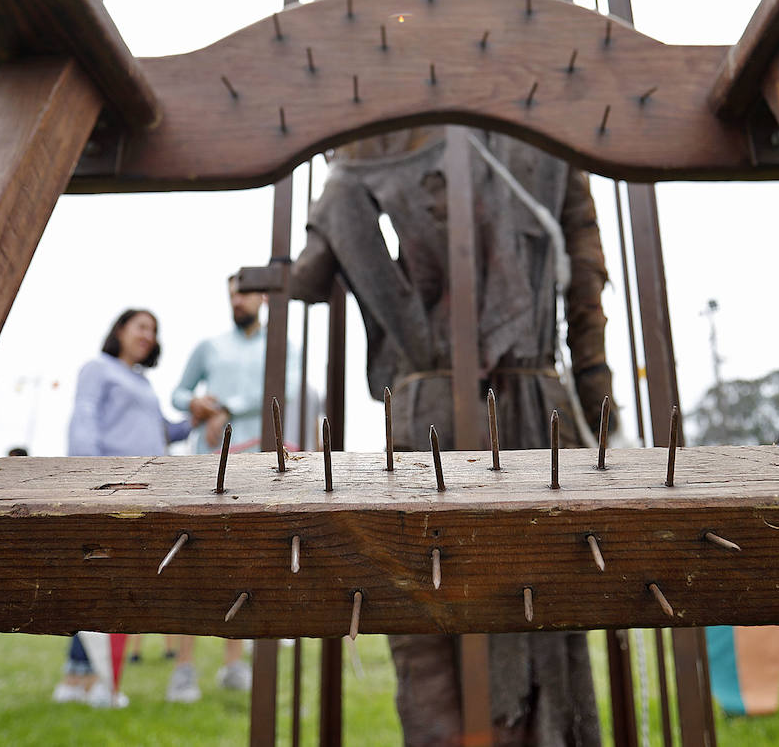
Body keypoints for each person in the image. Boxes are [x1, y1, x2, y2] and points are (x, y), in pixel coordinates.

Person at [290, 125, 612, 746]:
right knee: (440, 601)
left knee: (513, 605)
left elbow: (308, 272)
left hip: (487, 410)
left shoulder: (377, 137)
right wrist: (596, 403)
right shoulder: (536, 133)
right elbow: (587, 286)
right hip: (464, 412)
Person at [170, 276, 318, 694]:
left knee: (247, 556)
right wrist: (196, 403)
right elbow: (179, 392)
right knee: (196, 557)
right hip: (211, 459)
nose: (238, 300)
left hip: (258, 462)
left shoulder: (283, 346)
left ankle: (235, 661)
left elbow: (286, 387)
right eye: (232, 293)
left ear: (263, 297)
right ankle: (184, 665)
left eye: (246, 292)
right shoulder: (210, 345)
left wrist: (230, 408)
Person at [52, 308, 193, 708]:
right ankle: (83, 680)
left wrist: (195, 419)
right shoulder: (98, 368)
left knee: (116, 584)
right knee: (99, 583)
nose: (148, 335)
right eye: (141, 327)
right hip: (110, 488)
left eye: (154, 330)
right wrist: (89, 478)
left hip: (143, 492)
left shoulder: (142, 384)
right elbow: (84, 418)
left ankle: (91, 680)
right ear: (120, 330)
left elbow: (163, 431)